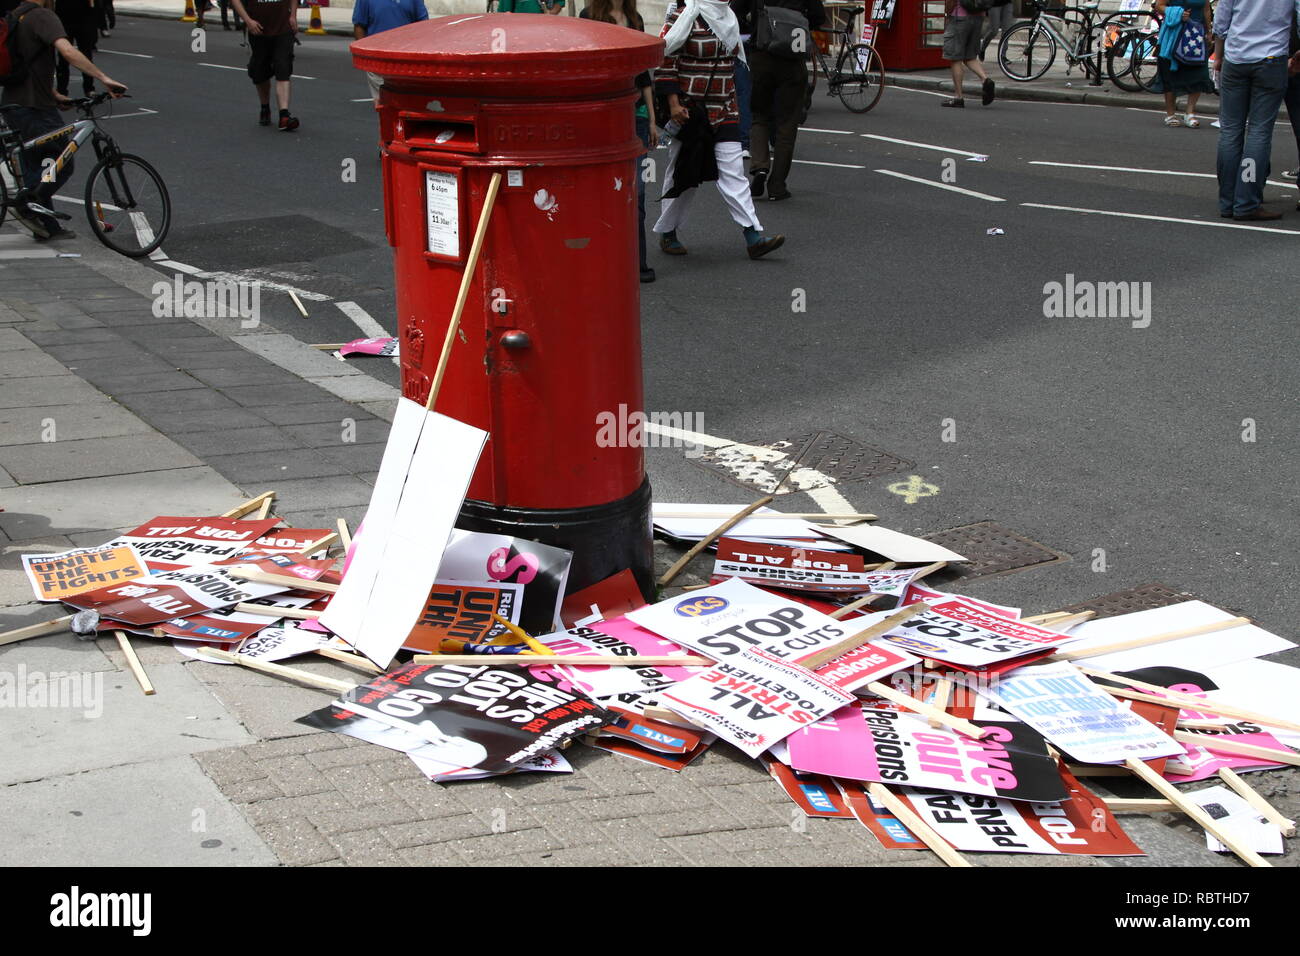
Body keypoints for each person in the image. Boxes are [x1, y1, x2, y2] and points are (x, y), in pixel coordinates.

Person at [652, 0, 783, 260]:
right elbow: (666, 60)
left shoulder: (728, 16)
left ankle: (753, 236)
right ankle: (668, 232)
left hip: (724, 109)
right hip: (690, 113)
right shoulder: (684, 13)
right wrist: (674, 104)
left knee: (734, 174)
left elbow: (733, 62)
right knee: (683, 174)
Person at [1, 0, 127, 241]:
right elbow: (68, 51)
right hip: (34, 107)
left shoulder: (17, 15)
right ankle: (27, 205)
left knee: (39, 166)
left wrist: (54, 94)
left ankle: (46, 225)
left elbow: (24, 61)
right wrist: (103, 78)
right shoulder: (43, 16)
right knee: (62, 163)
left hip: (14, 103)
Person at [581, 0, 657, 282]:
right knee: (601, 193)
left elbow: (644, 74)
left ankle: (639, 263)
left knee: (636, 194)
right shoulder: (589, 16)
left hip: (634, 115)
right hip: (603, 116)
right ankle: (603, 257)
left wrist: (651, 119)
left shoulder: (633, 17)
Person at [1212, 0, 1300, 220]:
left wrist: (1218, 55)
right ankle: (1247, 201)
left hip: (1236, 57)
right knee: (1259, 133)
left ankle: (1228, 201)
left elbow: (1221, 21)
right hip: (1271, 59)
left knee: (1230, 132)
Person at [733, 0, 826, 202]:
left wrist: (753, 24)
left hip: (762, 55)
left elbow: (735, 11)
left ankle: (759, 167)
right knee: (787, 123)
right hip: (793, 61)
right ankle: (777, 185)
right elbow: (819, 17)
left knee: (759, 115)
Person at [229, 0, 299, 130]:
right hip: (258, 30)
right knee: (260, 71)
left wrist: (293, 15)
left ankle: (284, 115)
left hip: (283, 28)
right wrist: (248, 21)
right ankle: (265, 107)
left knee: (283, 68)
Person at [1152, 0, 1214, 128]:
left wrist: (1208, 31)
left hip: (1196, 34)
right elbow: (1159, 6)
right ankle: (1170, 114)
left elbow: (1206, 9)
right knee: (1171, 73)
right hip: (1174, 34)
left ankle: (1190, 112)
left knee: (1199, 73)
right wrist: (1178, 13)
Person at [353, 0, 428, 102]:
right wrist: (364, 55)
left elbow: (423, 26)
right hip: (377, 61)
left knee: (407, 103)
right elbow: (359, 26)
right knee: (383, 104)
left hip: (406, 61)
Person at [941, 0, 994, 108]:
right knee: (969, 56)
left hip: (959, 16)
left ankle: (958, 97)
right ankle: (985, 80)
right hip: (978, 17)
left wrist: (948, 13)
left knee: (955, 58)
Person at [53, 0, 96, 98]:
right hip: (65, 20)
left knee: (86, 56)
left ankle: (89, 88)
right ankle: (62, 90)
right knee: (63, 58)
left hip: (83, 20)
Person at [497, 0, 564, 14]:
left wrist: (549, 14)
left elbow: (558, 3)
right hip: (521, 29)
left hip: (545, 28)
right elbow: (505, 13)